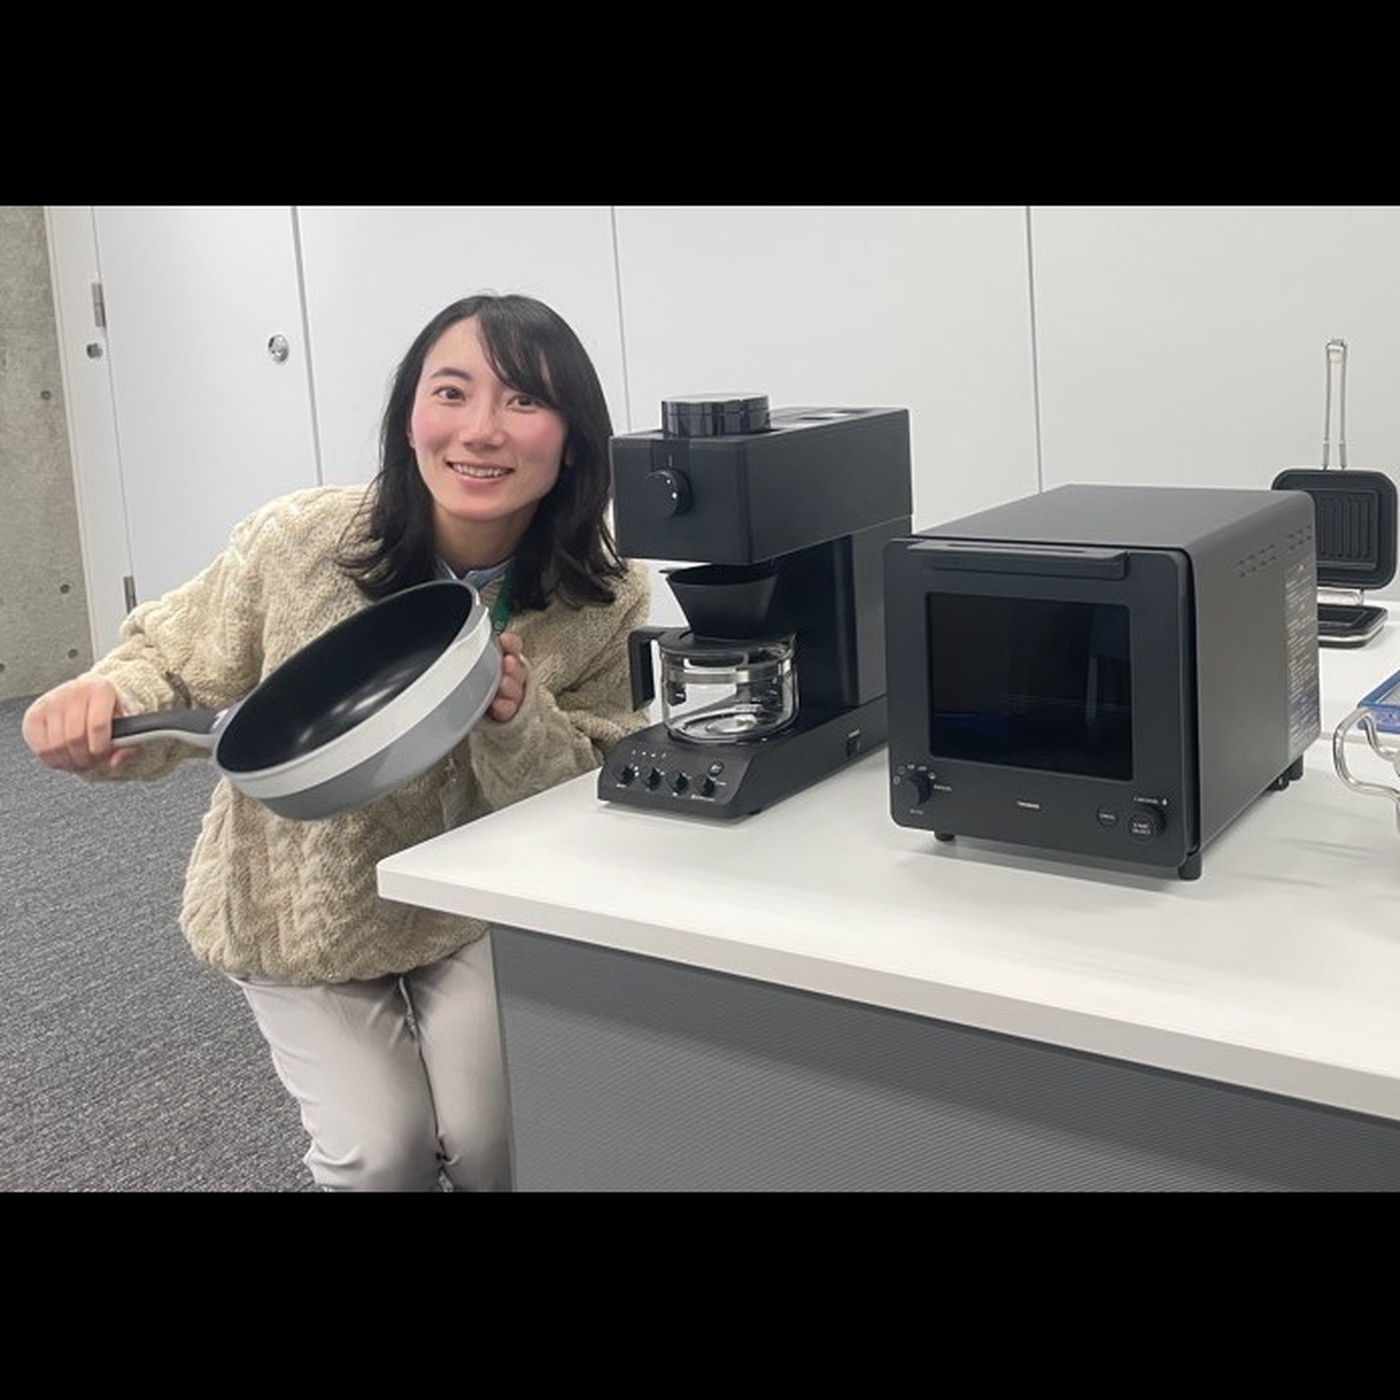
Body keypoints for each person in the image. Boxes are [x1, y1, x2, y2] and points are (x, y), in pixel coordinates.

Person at [22, 292, 652, 1191]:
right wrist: (102, 703)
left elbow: (595, 782)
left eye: (524, 401)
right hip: (304, 910)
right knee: (380, 1154)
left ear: (575, 441)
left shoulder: (607, 594)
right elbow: (169, 663)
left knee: (498, 1145)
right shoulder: (299, 542)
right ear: (408, 418)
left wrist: (520, 719)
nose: (480, 430)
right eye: (451, 393)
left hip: (475, 909)